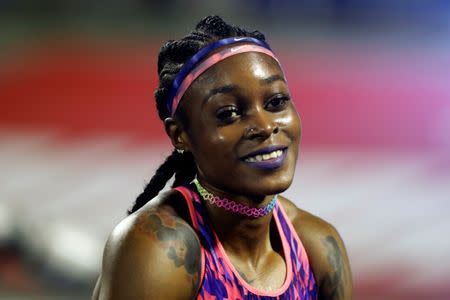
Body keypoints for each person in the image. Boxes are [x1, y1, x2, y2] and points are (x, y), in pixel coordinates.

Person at [92, 16, 352, 300]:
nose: (265, 127)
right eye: (229, 113)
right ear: (180, 135)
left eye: (276, 103)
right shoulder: (158, 248)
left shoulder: (317, 246)